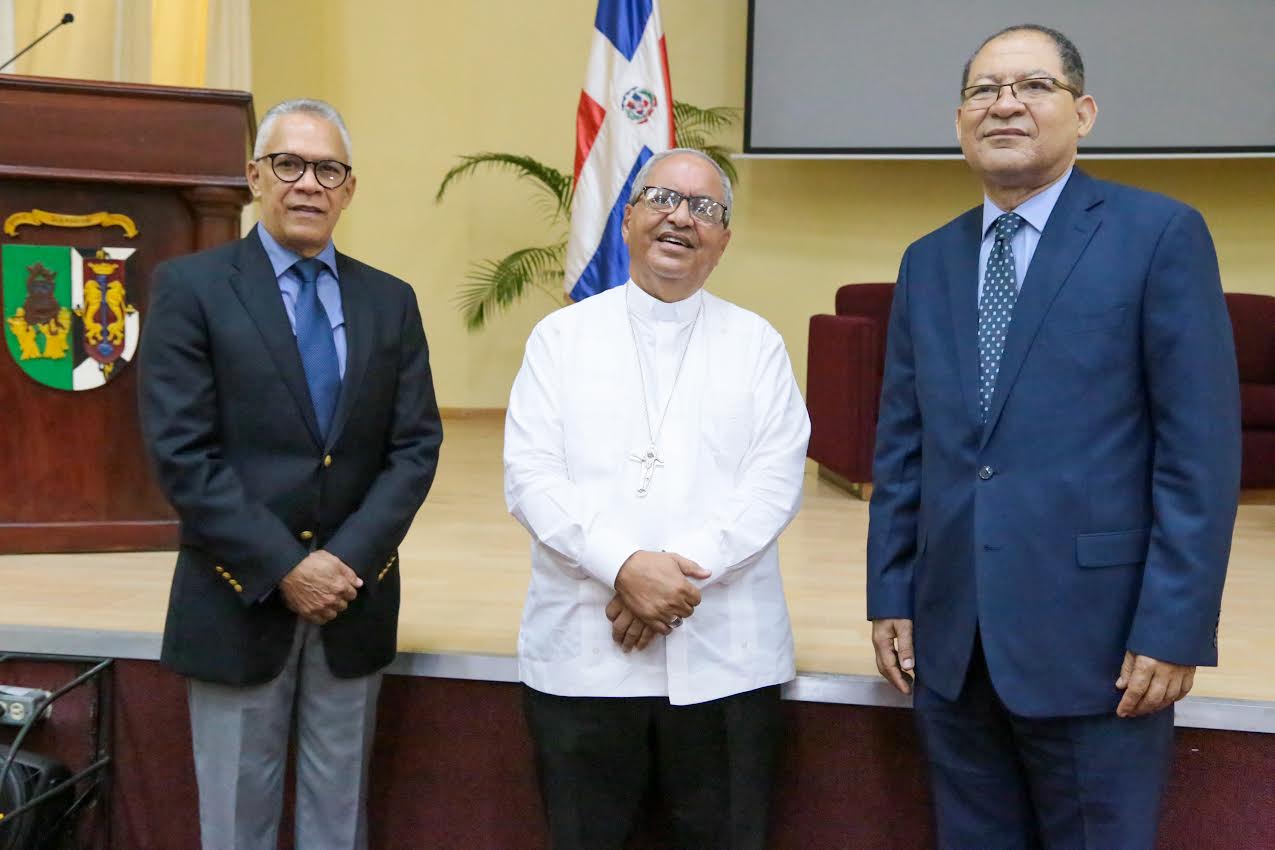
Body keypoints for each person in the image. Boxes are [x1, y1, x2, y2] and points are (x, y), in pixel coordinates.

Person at [866, 24, 1242, 850]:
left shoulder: (1157, 235)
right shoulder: (927, 260)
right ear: (959, 119)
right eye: (982, 90)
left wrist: (1173, 626)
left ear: (1084, 112)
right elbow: (902, 446)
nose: (1003, 105)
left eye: (1032, 86)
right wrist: (890, 593)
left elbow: (1198, 454)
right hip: (951, 647)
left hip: (1100, 647)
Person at [138, 98, 443, 850]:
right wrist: (286, 567)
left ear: (349, 188)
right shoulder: (191, 288)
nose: (309, 183)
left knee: (337, 822)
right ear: (255, 176)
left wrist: (344, 562)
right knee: (235, 825)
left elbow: (414, 447)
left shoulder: (390, 300)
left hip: (352, 601)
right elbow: (182, 452)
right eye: (289, 164)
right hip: (237, 598)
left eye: (328, 169)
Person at [504, 148, 810, 849]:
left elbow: (774, 482)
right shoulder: (560, 339)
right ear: (627, 220)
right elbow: (530, 476)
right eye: (662, 199)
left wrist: (670, 580)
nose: (680, 218)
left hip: (725, 657)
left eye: (703, 208)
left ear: (724, 238)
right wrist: (622, 567)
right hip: (585, 652)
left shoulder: (756, 344)